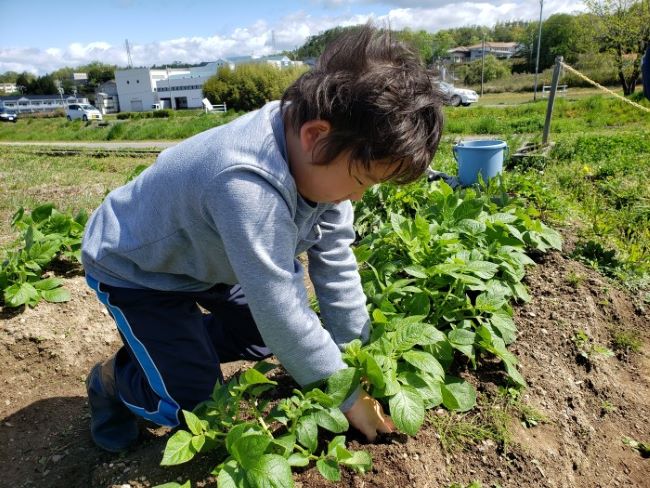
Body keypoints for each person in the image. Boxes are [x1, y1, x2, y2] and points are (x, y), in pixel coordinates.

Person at [81, 24, 444, 453]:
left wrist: (358, 362)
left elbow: (337, 262)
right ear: (315, 136)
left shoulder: (328, 151)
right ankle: (113, 380)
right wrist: (346, 399)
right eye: (361, 181)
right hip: (140, 267)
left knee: (260, 338)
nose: (358, 196)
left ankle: (173, 346)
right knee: (198, 405)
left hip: (211, 256)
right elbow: (279, 307)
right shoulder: (246, 181)